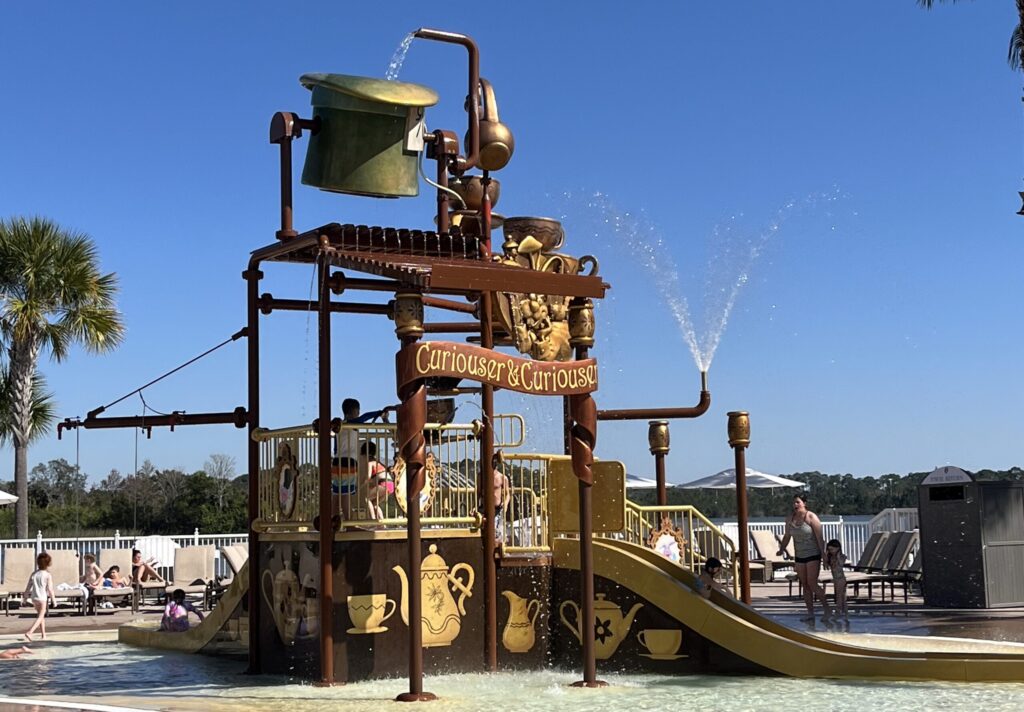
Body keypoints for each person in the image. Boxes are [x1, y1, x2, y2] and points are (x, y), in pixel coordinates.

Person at [778, 494, 832, 622]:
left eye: (798, 502)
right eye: (794, 503)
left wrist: (823, 555)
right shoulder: (790, 519)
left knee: (812, 583)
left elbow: (820, 538)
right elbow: (787, 536)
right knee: (805, 585)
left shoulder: (811, 517)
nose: (795, 505)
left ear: (804, 503)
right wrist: (781, 548)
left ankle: (827, 609)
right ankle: (810, 614)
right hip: (800, 555)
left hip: (813, 554)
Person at [23, 552, 56, 642]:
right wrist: (53, 600)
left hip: (34, 598)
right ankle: (30, 632)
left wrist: (25, 598)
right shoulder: (47, 575)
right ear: (48, 564)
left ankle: (43, 635)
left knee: (40, 616)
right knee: (41, 616)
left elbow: (28, 587)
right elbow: (50, 589)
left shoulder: (34, 574)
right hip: (42, 598)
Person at [362, 441, 394, 521]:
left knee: (367, 498)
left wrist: (361, 485)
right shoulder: (378, 462)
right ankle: (382, 523)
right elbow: (377, 476)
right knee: (374, 504)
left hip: (384, 484)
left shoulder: (370, 463)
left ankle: (373, 521)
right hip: (390, 485)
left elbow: (368, 477)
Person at [824, 538, 848, 621]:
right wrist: (826, 554)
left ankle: (838, 613)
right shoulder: (830, 558)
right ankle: (845, 613)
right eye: (829, 550)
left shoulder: (842, 556)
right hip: (836, 579)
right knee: (842, 597)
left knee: (839, 596)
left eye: (832, 549)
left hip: (841, 579)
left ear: (837, 548)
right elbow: (826, 566)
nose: (831, 551)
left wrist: (837, 556)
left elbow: (841, 564)